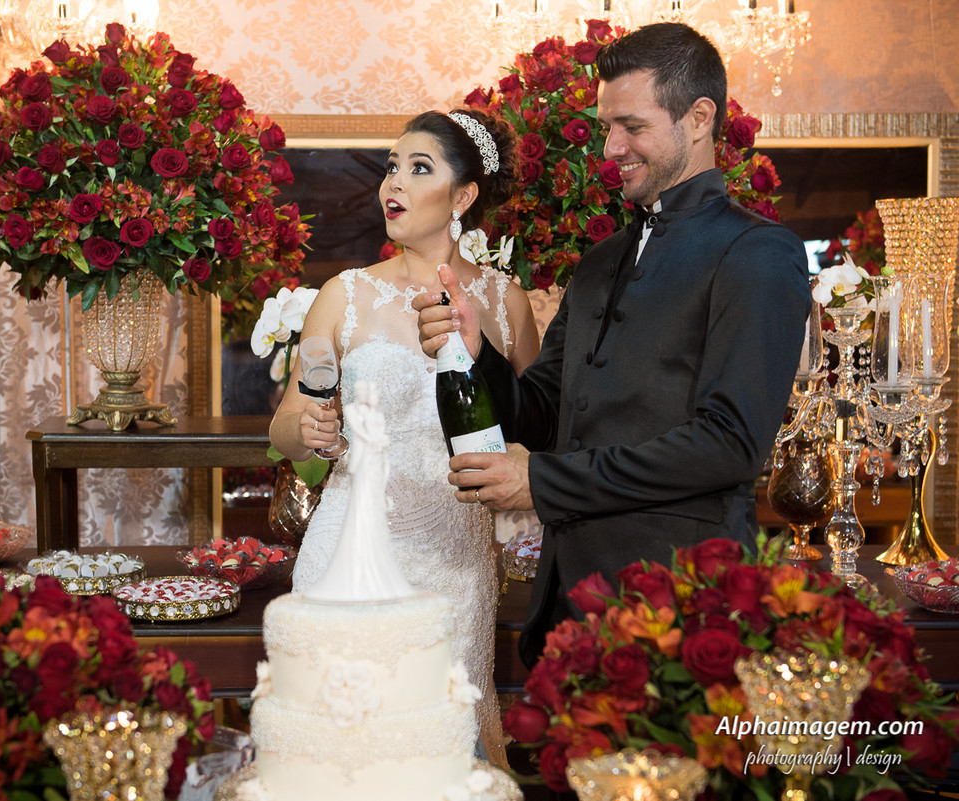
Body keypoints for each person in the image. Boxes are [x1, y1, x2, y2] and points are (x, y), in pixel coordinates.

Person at [414, 22, 812, 668]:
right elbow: (541, 412)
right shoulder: (600, 261)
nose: (610, 146)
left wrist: (540, 482)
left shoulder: (758, 253)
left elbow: (730, 444)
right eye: (606, 126)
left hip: (680, 618)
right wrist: (477, 350)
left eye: (631, 125)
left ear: (700, 118)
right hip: (565, 613)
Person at [269, 108, 540, 763]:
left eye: (419, 168)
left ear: (463, 195)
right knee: (341, 748)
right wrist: (310, 426)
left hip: (457, 561)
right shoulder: (345, 295)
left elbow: (538, 423)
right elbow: (283, 430)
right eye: (392, 166)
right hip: (349, 550)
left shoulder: (504, 302)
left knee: (443, 745)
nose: (394, 181)